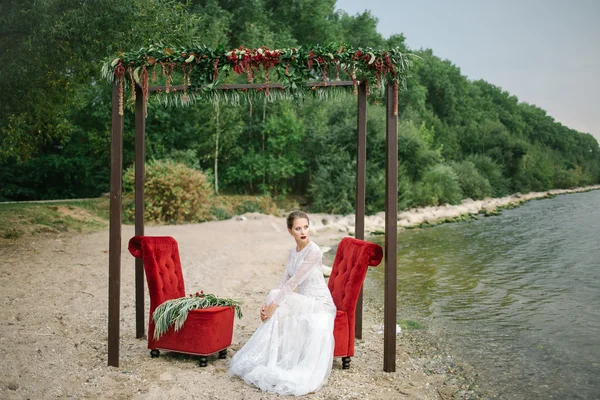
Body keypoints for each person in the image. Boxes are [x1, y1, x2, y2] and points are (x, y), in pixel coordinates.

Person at [229, 211, 336, 396]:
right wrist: (268, 303)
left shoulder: (314, 251)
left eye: (306, 227)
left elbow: (294, 282)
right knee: (274, 294)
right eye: (298, 228)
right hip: (305, 300)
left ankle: (271, 356)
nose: (303, 231)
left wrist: (273, 305)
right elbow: (283, 281)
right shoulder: (293, 252)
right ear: (290, 231)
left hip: (319, 303)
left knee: (276, 299)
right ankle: (270, 357)